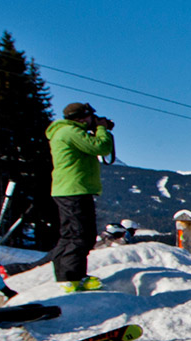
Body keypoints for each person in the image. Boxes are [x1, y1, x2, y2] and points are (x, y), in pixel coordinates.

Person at [47, 102, 114, 293]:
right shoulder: (70, 132)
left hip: (67, 189)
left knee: (69, 234)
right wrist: (102, 128)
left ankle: (64, 276)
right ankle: (73, 278)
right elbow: (101, 147)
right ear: (82, 118)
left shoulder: (65, 131)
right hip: (75, 190)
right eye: (90, 117)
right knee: (81, 234)